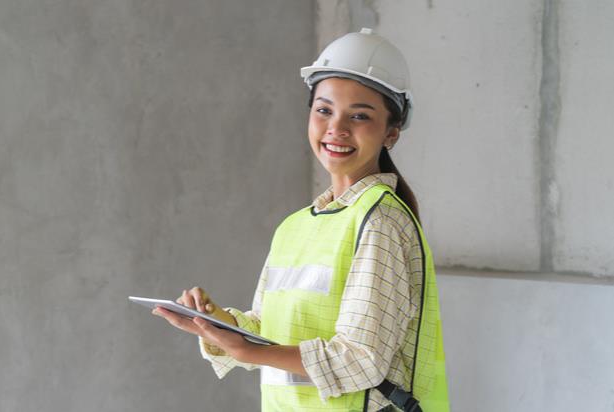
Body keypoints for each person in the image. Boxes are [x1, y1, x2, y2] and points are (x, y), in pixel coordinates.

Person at [152, 28, 449, 412]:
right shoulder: (295, 227)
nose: (336, 128)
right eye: (324, 110)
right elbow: (267, 331)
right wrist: (215, 322)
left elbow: (361, 360)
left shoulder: (380, 222)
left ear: (391, 133)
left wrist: (248, 351)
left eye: (359, 116)